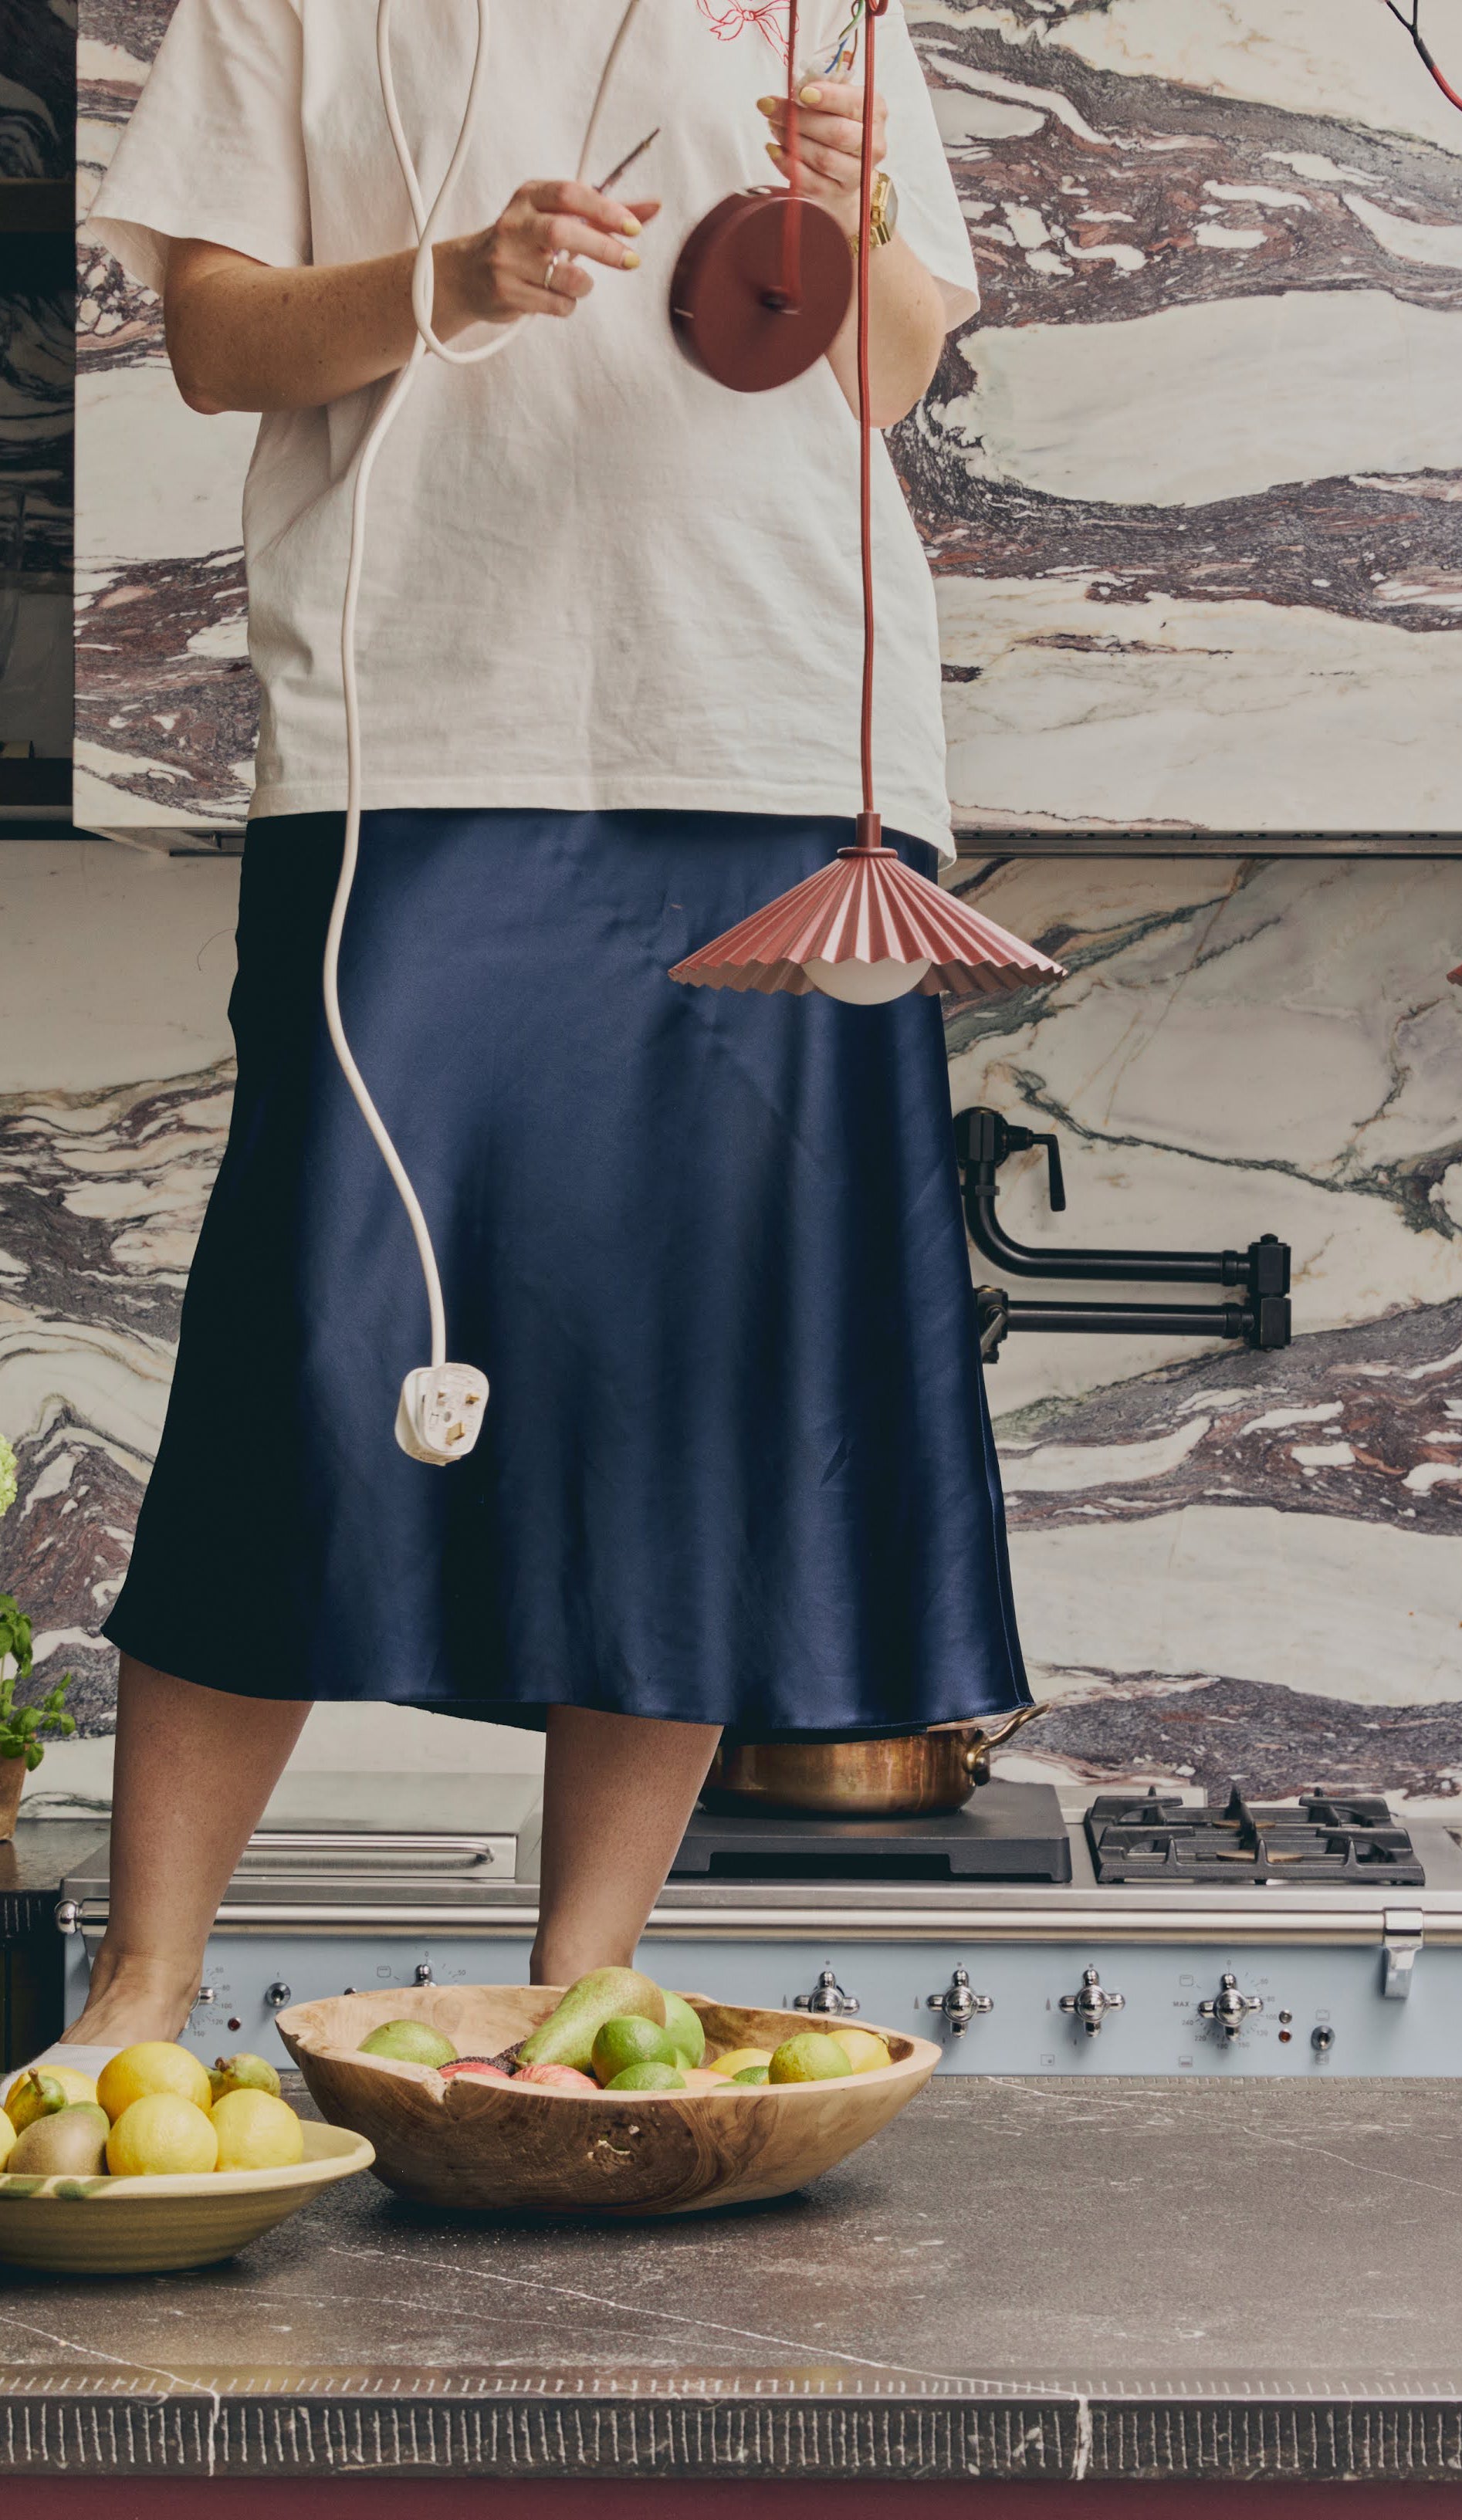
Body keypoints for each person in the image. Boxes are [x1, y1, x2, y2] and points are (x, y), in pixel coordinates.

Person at [61, 0, 1025, 2053]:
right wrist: (456, 279)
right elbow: (222, 343)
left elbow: (883, 373)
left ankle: (583, 1985)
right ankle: (142, 1989)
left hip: (770, 723)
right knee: (300, 1350)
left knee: (684, 1363)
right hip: (413, 735)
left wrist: (855, 218)